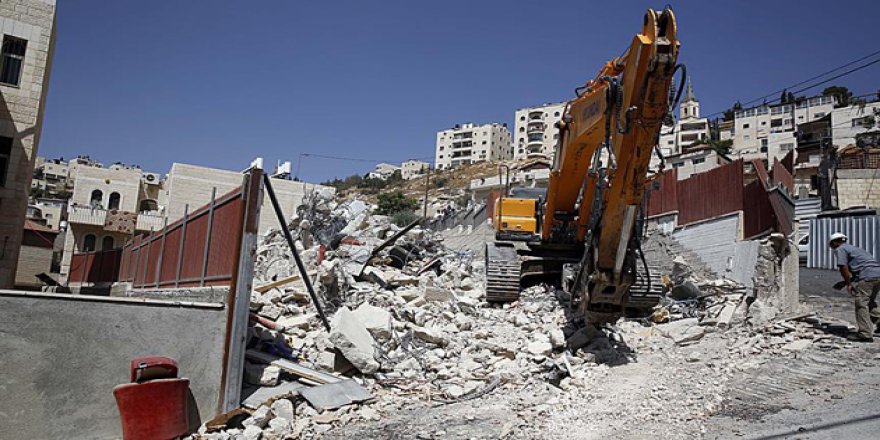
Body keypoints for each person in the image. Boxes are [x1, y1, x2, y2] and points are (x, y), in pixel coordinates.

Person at [829, 232, 880, 342]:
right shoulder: (854, 248)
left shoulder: (840, 249)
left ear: (834, 242)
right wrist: (845, 282)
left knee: (861, 303)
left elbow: (843, 267)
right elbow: (862, 267)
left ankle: (865, 334)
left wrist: (848, 284)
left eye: (831, 246)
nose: (832, 249)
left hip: (867, 276)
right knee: (869, 301)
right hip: (877, 275)